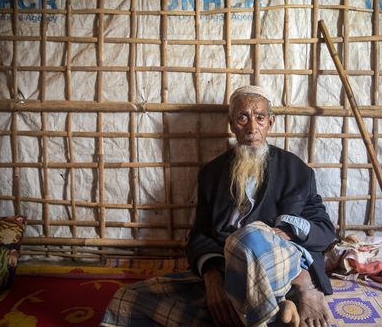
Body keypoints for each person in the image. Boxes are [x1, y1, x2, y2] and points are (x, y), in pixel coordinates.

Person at [101, 85, 337, 327]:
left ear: (271, 122)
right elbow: (199, 234)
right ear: (232, 124)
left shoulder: (296, 170)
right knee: (128, 300)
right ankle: (272, 312)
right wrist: (212, 278)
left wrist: (290, 238)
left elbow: (324, 229)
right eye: (242, 117)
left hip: (280, 270)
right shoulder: (212, 174)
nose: (252, 127)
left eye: (260, 117)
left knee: (249, 237)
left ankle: (274, 303)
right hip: (227, 272)